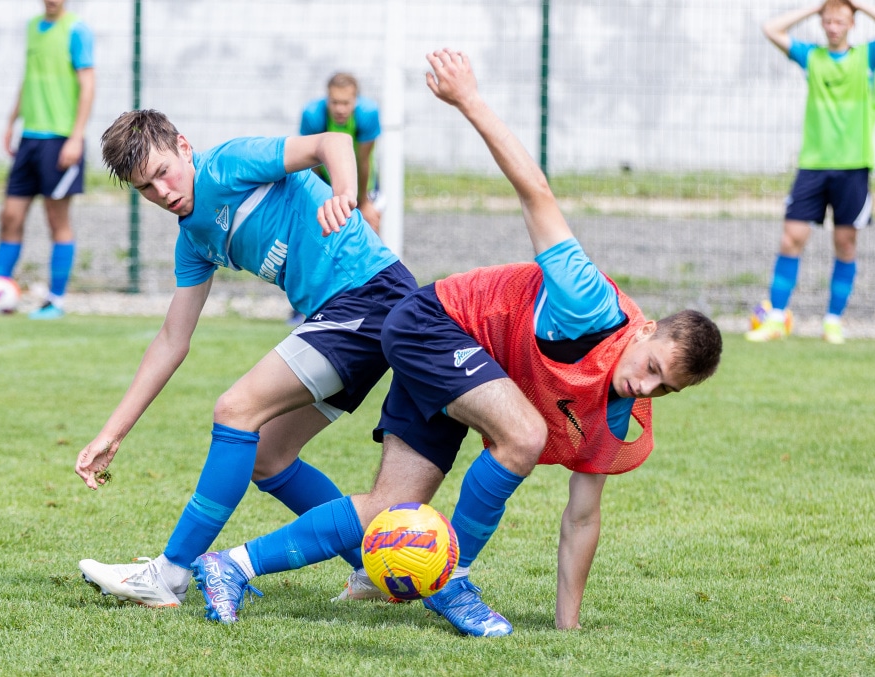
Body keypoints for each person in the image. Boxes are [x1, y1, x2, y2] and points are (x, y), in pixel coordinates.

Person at [191, 49, 723, 637]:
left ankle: (231, 566)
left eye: (663, 388)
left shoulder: (622, 403)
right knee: (524, 433)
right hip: (432, 323)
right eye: (650, 367)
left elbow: (583, 514)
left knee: (389, 513)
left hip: (463, 362)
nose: (643, 386)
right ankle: (453, 582)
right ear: (644, 330)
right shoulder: (591, 301)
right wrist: (469, 99)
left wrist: (568, 632)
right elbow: (536, 190)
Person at [74, 109, 417, 608]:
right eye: (146, 188)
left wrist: (344, 192)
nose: (162, 192)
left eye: (164, 172)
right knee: (267, 457)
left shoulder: (227, 165)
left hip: (369, 296)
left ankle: (168, 575)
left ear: (184, 147)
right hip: (344, 314)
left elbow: (331, 143)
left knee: (236, 409)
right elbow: (172, 339)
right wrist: (112, 433)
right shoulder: (193, 239)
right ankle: (376, 565)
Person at [0, 0, 95, 320]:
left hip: (60, 139)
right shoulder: (32, 27)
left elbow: (88, 85)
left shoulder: (77, 30)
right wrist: (11, 121)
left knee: (56, 219)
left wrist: (76, 136)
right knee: (10, 216)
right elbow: (30, 78)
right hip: (30, 138)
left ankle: (55, 301)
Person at [747, 0, 875, 344]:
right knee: (791, 237)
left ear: (851, 23)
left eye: (840, 20)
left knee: (845, 243)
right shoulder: (812, 57)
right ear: (822, 22)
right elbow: (771, 29)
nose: (833, 26)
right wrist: (815, 7)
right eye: (828, 20)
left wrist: (860, 5)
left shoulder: (867, 57)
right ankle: (776, 318)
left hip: (853, 167)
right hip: (813, 165)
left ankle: (832, 321)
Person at [300, 73, 382, 234]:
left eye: (346, 103)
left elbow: (364, 160)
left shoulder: (367, 114)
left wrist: (364, 202)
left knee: (369, 228)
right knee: (324, 229)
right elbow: (311, 163)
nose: (340, 109)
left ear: (355, 100)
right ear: (327, 99)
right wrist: (319, 197)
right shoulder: (313, 115)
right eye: (335, 102)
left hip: (361, 180)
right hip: (325, 180)